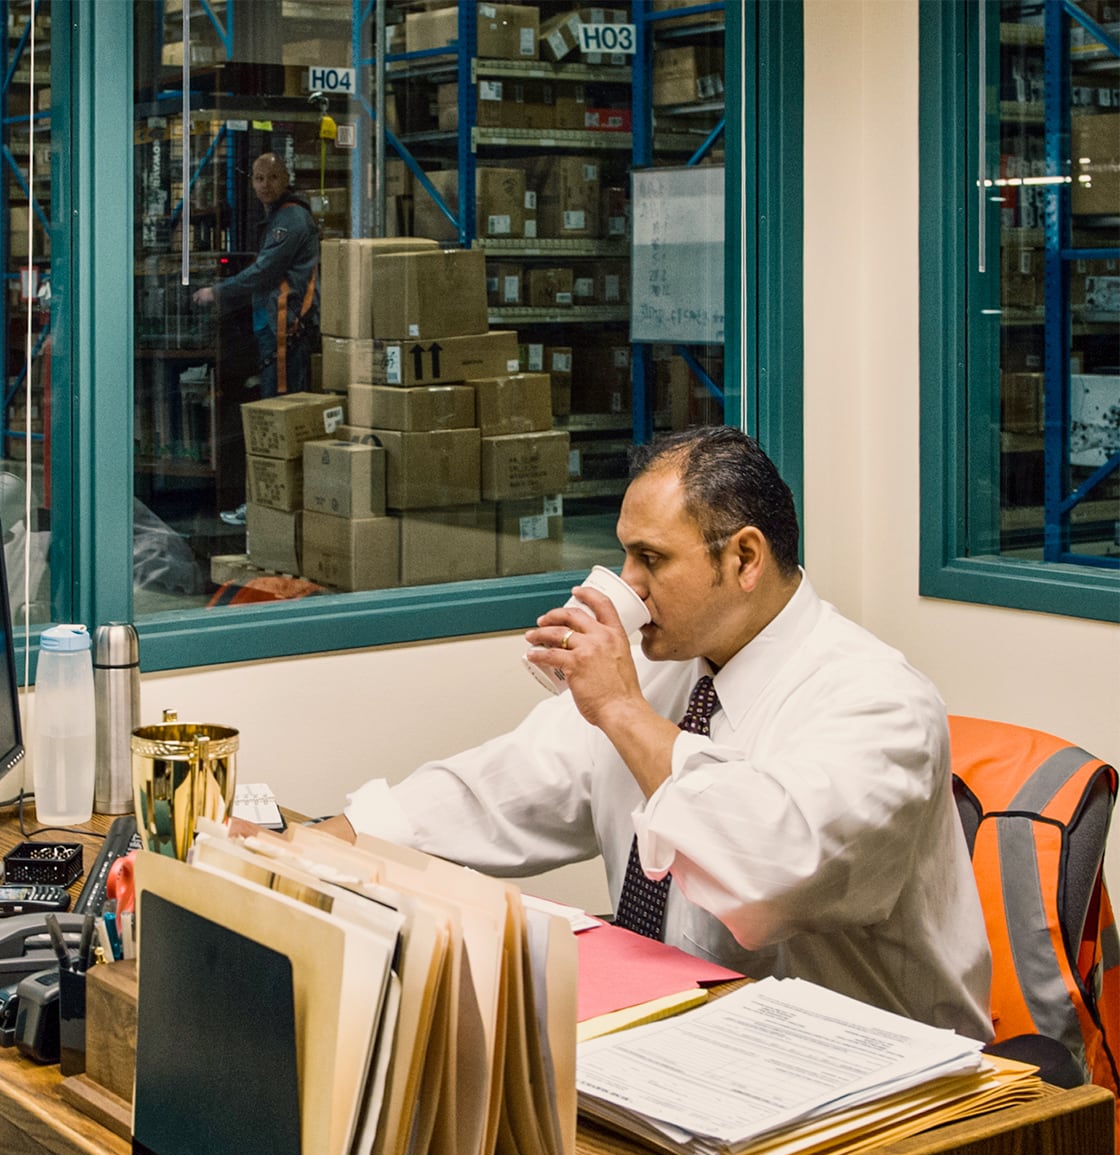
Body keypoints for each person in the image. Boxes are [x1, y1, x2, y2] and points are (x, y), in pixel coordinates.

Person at [323, 426, 993, 1040]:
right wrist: (339, 837)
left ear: (745, 558)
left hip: (876, 1075)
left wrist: (621, 708)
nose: (629, 589)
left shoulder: (879, 702)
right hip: (689, 1043)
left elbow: (770, 873)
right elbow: (509, 784)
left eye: (651, 559)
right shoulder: (661, 673)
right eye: (625, 557)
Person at [191, 152, 319, 400]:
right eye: (259, 178)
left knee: (281, 403)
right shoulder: (275, 217)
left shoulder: (291, 219)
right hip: (272, 323)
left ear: (285, 179)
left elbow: (263, 271)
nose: (265, 184)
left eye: (272, 177)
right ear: (251, 182)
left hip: (285, 325)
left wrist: (215, 292)